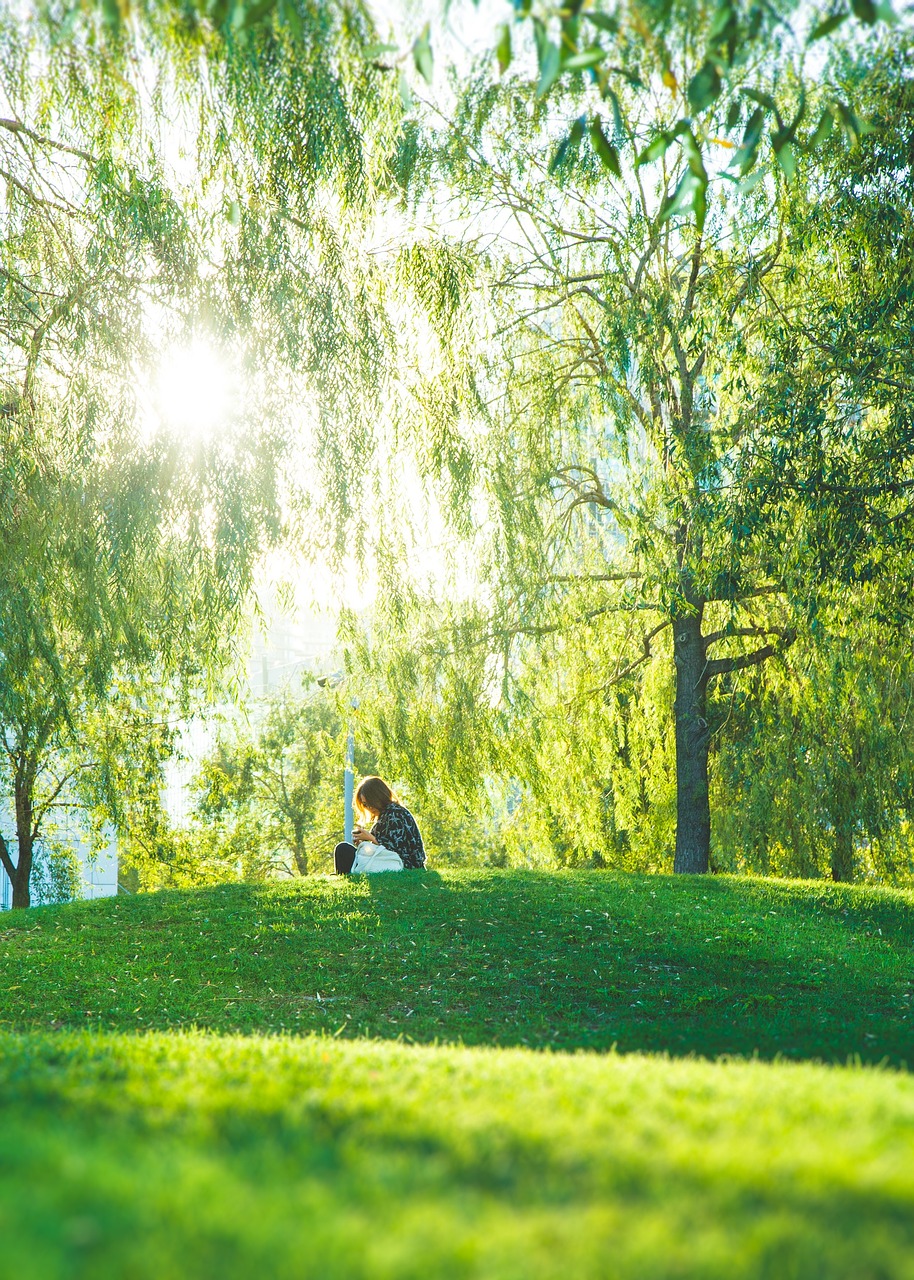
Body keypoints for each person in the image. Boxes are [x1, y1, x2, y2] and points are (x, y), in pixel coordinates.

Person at [334, 776, 427, 874]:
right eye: (365, 804)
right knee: (344, 851)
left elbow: (395, 851)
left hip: (405, 865)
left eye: (370, 803)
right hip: (390, 862)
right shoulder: (386, 815)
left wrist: (372, 838)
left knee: (343, 849)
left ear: (379, 797)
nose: (369, 807)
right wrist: (363, 844)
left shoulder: (395, 814)